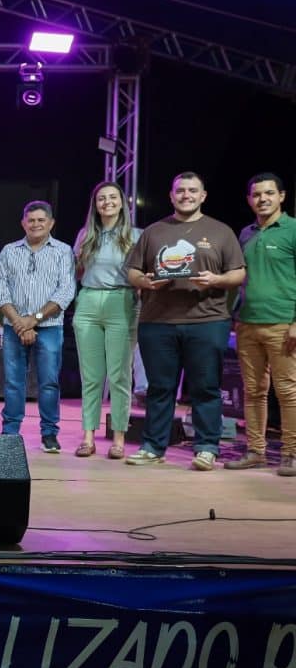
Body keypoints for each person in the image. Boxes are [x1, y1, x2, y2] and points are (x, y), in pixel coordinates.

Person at [125, 172, 245, 469]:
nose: (186, 195)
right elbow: (133, 272)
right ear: (171, 196)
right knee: (159, 388)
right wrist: (146, 282)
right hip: (158, 322)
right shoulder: (153, 231)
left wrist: (216, 280)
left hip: (207, 321)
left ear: (203, 196)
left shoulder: (221, 231)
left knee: (206, 387)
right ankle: (153, 447)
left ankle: (206, 447)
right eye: (180, 190)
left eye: (193, 190)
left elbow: (238, 273)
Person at [226, 173, 296, 475]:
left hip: (283, 323)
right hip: (247, 323)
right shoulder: (246, 233)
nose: (262, 199)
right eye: (256, 195)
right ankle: (256, 451)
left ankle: (291, 454)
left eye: (269, 193)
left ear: (282, 196)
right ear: (249, 200)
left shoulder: (293, 230)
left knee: (288, 392)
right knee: (253, 391)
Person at [0, 201, 76, 452]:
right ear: (23, 223)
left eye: (41, 220)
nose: (36, 224)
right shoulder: (9, 251)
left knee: (49, 382)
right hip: (14, 326)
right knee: (13, 382)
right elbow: (0, 293)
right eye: (31, 220)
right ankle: (10, 433)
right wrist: (20, 323)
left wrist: (34, 319)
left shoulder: (63, 251)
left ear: (51, 223)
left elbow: (66, 292)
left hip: (49, 326)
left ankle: (49, 434)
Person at [71, 181, 139, 459]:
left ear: (122, 202)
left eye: (113, 197)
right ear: (95, 205)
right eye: (101, 198)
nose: (107, 202)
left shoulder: (135, 235)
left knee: (119, 375)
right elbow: (78, 272)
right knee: (91, 376)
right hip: (88, 300)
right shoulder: (86, 234)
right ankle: (88, 437)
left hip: (121, 300)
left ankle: (119, 438)